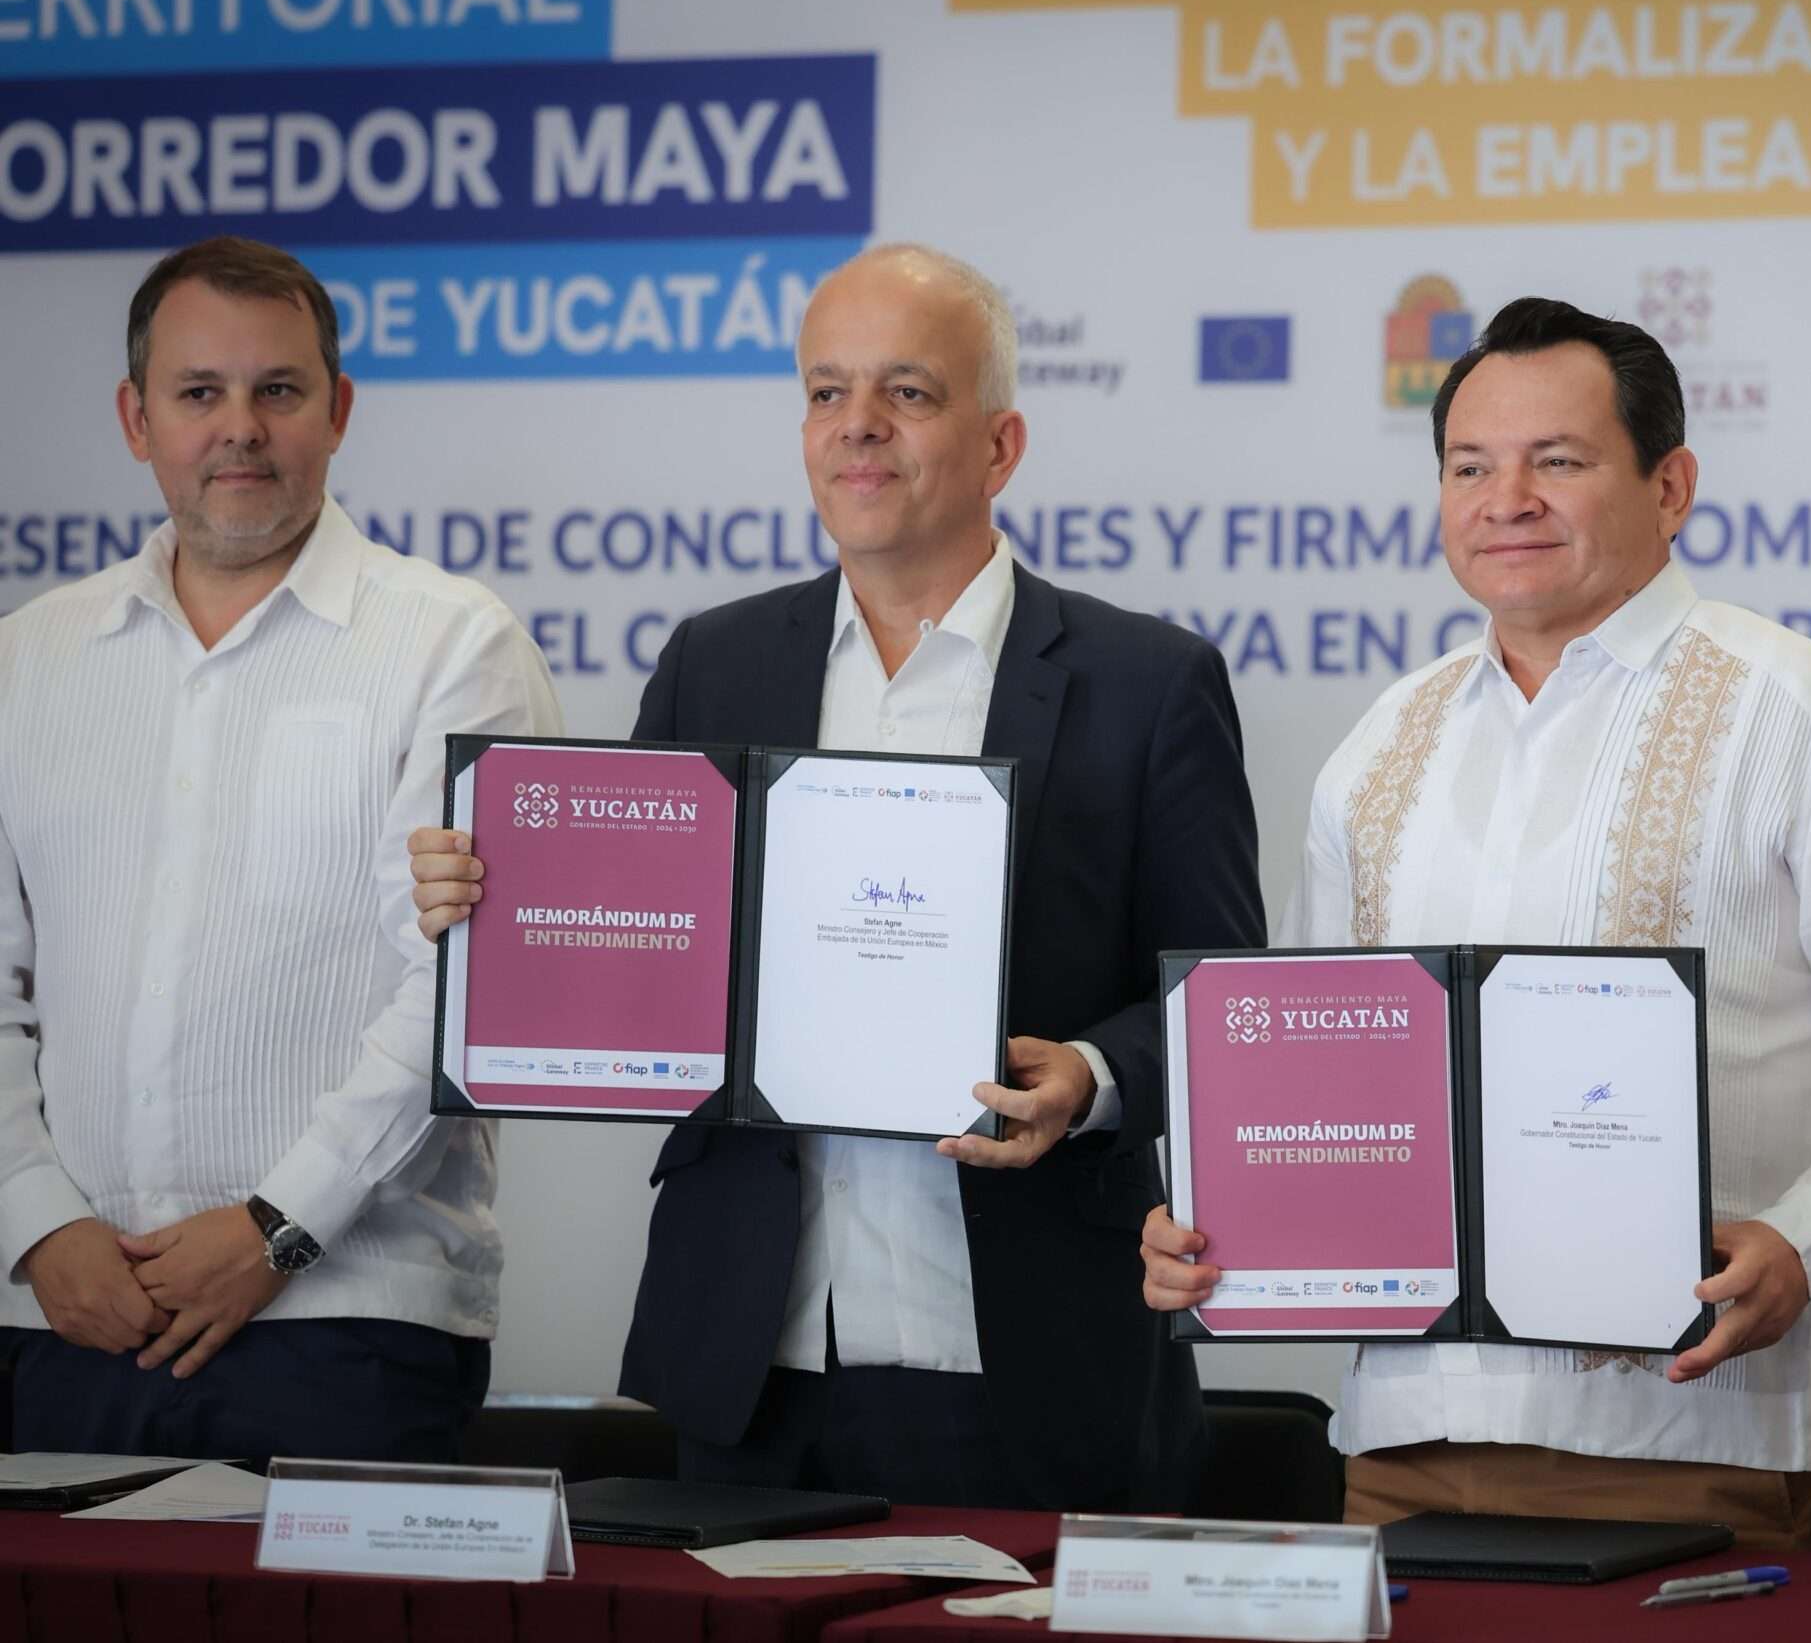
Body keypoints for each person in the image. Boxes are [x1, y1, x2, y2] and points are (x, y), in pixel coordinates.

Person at [408, 243, 1263, 1508]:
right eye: (825, 392)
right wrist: (495, 909)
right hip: (752, 1359)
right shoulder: (713, 664)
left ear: (1000, 445)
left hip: (1033, 1354)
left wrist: (1090, 1077)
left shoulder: (1148, 683)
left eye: (907, 392)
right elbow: (640, 952)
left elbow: (1222, 998)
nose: (857, 424)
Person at [1141, 297, 1811, 1548]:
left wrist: (1806, 1242)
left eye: (1558, 462)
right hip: (1403, 1438)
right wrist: (1213, 1223)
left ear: (1669, 487)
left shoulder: (1800, 714)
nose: (1506, 500)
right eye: (1469, 467)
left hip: (1690, 1434)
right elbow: (1302, 1067)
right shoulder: (1385, 744)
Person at [0, 236, 562, 1461]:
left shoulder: (452, 644)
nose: (239, 428)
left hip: (347, 1325)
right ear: (136, 418)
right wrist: (34, 1222)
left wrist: (278, 1226)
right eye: (199, 392)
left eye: (279, 390)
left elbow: (462, 986)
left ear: (338, 410)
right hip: (63, 1316)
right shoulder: (26, 659)